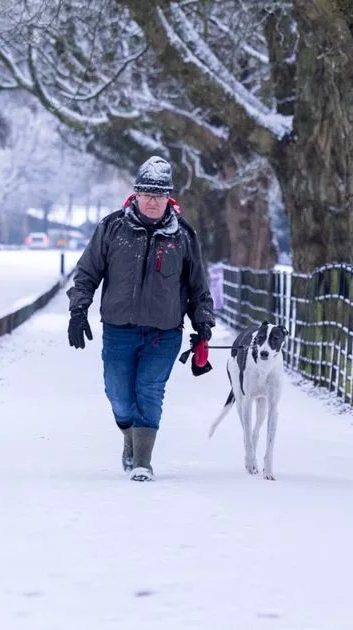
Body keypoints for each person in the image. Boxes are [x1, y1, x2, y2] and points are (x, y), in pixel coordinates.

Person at [66, 155, 215, 482]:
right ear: (135, 195)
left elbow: (198, 286)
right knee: (118, 392)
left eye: (159, 195)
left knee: (149, 389)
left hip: (164, 333)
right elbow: (87, 273)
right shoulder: (112, 228)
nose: (152, 201)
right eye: (147, 194)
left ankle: (142, 462)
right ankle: (129, 437)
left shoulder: (182, 236)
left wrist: (203, 325)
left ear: (169, 199)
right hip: (119, 329)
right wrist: (78, 310)